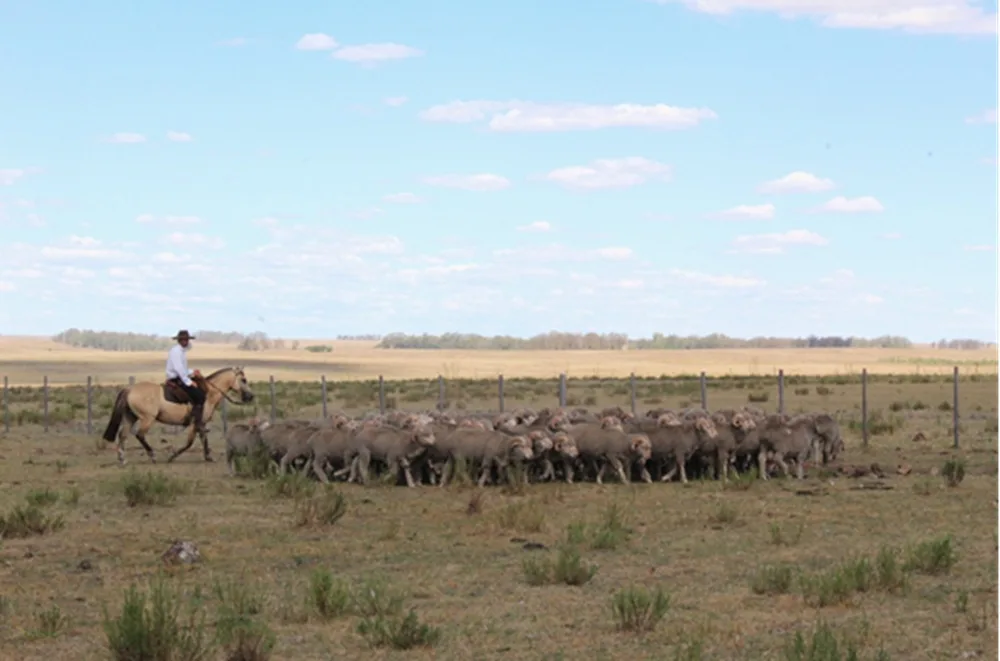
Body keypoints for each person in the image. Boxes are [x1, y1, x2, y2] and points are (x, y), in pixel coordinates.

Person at [165, 329, 206, 431]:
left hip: (180, 377)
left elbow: (183, 369)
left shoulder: (181, 351)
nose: (185, 341)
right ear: (179, 340)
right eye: (183, 340)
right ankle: (196, 421)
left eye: (186, 339)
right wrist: (189, 382)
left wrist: (193, 372)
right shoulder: (176, 351)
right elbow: (179, 369)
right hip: (176, 379)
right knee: (200, 396)